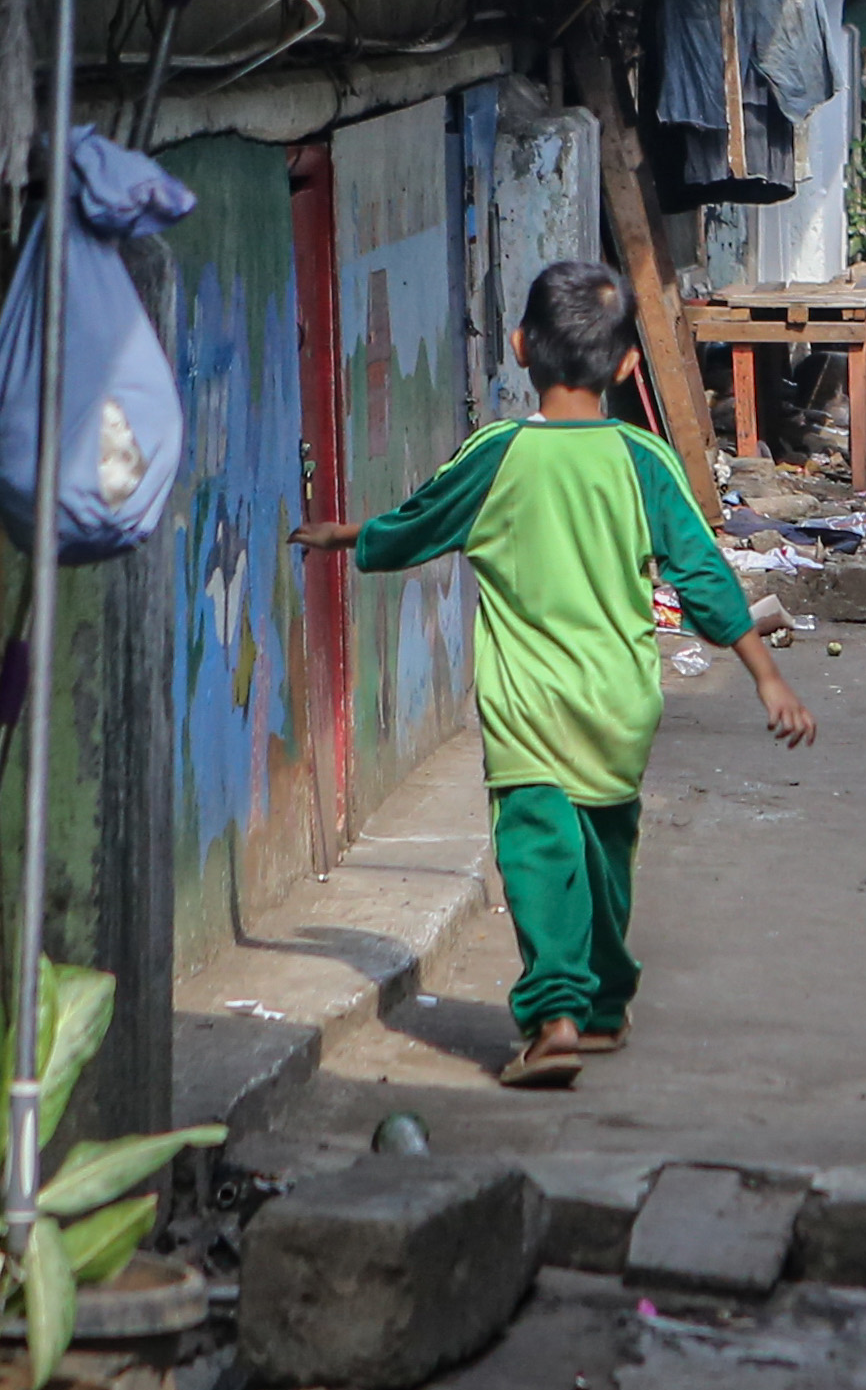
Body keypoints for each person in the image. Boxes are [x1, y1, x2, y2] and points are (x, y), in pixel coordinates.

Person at [299, 256, 815, 1090]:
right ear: (627, 365)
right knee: (607, 854)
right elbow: (705, 574)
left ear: (517, 347)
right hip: (617, 702)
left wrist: (350, 536)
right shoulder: (643, 459)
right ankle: (603, 1006)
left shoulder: (497, 453)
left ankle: (555, 1019)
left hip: (531, 705)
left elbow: (418, 521)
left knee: (538, 856)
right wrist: (766, 676)